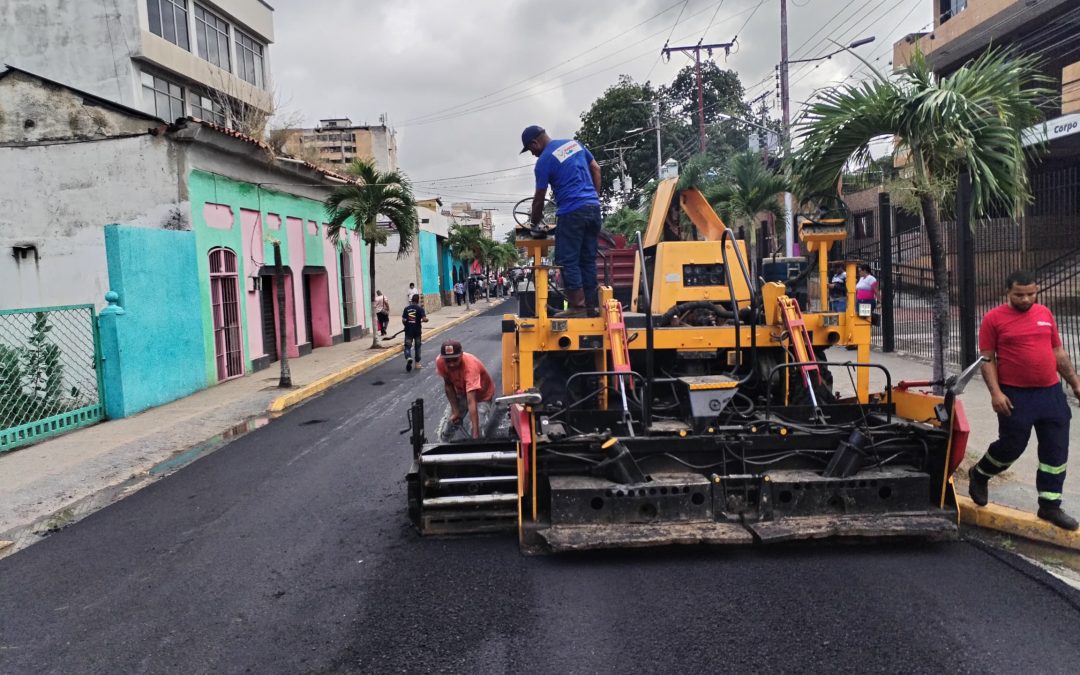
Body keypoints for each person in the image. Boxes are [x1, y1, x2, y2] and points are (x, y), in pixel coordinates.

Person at [968, 270, 1080, 531]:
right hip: (1015, 395)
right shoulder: (993, 319)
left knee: (1056, 450)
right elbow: (987, 359)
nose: (1027, 299)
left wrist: (1075, 382)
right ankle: (980, 473)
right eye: (1020, 295)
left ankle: (1050, 505)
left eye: (1031, 294)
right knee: (1011, 447)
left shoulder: (1044, 314)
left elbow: (1058, 352)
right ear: (1008, 292)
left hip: (1050, 393)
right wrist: (996, 393)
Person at [521, 125, 602, 317]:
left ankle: (578, 308)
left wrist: (535, 223)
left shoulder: (544, 161)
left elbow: (539, 196)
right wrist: (593, 198)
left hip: (571, 212)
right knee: (588, 259)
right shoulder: (574, 144)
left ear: (535, 143)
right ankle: (592, 307)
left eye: (531, 150)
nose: (532, 154)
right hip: (593, 210)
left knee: (566, 259)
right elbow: (596, 168)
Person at [435, 339, 496, 441]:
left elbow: (471, 401)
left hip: (482, 396)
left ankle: (476, 447)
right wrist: (455, 411)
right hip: (462, 393)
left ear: (461, 355)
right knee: (451, 422)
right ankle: (443, 443)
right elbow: (448, 385)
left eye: (455, 360)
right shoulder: (440, 362)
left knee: (477, 429)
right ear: (443, 358)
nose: (452, 364)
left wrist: (475, 436)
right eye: (448, 361)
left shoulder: (471, 367)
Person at [402, 293, 429, 372]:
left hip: (408, 331)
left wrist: (406, 325)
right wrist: (426, 320)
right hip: (417, 331)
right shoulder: (420, 309)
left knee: (407, 346)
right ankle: (417, 363)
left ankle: (408, 357)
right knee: (417, 347)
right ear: (418, 301)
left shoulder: (406, 308)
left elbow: (404, 320)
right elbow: (424, 319)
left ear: (411, 300)